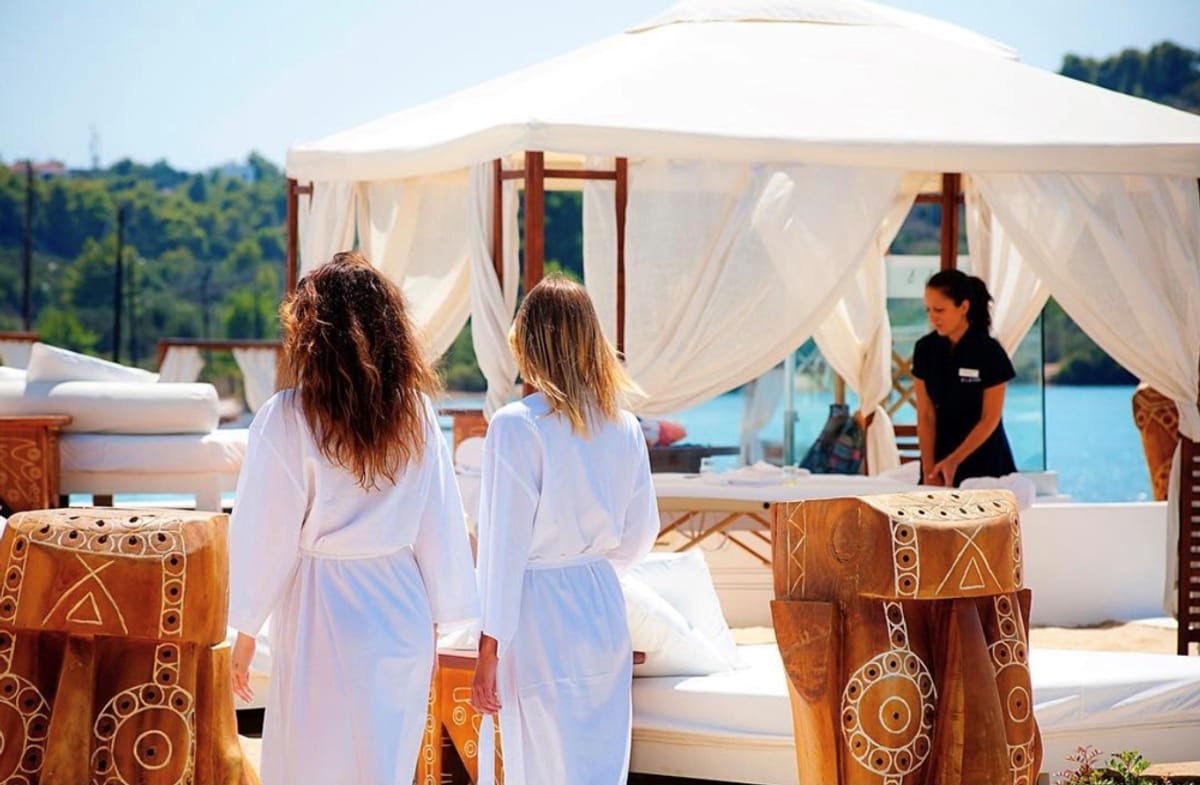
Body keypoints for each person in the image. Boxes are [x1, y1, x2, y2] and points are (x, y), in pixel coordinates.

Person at [227, 252, 478, 785]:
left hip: (322, 613)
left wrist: (243, 628)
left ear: (311, 334)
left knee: (313, 765)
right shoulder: (416, 413)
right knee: (384, 767)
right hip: (401, 610)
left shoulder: (287, 417)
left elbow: (265, 533)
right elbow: (440, 522)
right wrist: (441, 616)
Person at [470, 276, 661, 785]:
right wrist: (590, 565)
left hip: (538, 613)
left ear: (529, 343)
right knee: (600, 766)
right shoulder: (624, 427)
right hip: (601, 605)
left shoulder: (517, 426)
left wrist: (488, 649)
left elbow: (503, 551)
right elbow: (642, 533)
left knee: (543, 765)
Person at [911, 269, 1018, 487]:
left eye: (939, 310)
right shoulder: (924, 349)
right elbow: (926, 415)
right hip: (940, 462)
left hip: (986, 463)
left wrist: (954, 461)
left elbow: (990, 418)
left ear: (964, 307)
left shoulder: (990, 352)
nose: (933, 317)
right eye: (928, 310)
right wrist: (929, 470)